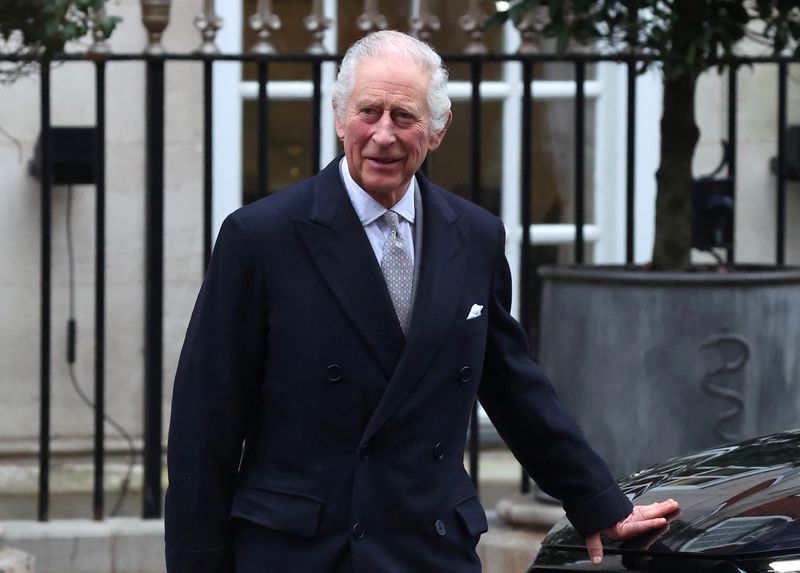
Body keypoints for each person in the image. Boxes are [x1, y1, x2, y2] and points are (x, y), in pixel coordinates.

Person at [164, 30, 677, 573]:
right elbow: (206, 419)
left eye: (403, 116)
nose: (383, 134)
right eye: (368, 111)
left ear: (436, 130)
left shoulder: (475, 236)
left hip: (428, 547)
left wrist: (599, 502)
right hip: (304, 551)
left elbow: (511, 384)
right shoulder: (261, 236)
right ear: (340, 118)